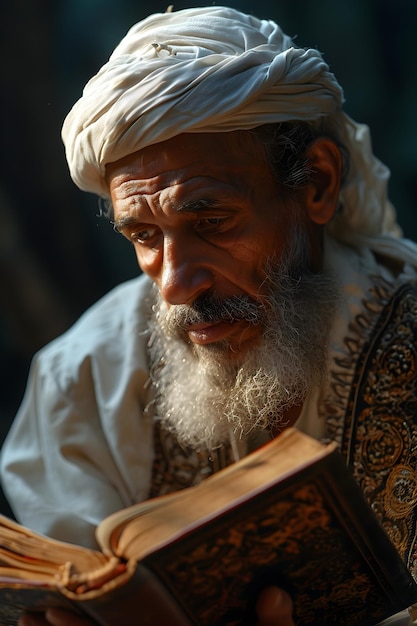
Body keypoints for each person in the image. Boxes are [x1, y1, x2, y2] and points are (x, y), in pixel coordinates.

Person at [2, 5, 417, 625]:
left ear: (318, 185)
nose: (174, 285)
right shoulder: (84, 380)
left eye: (211, 222)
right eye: (142, 234)